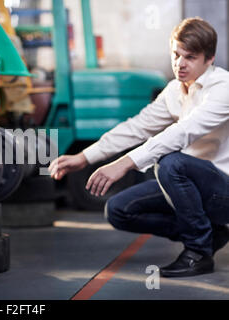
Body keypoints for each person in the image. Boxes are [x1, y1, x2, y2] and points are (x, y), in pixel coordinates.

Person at [49, 17, 229, 278]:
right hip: (190, 187)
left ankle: (198, 252)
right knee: (119, 210)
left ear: (209, 59)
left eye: (190, 57)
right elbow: (137, 127)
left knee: (170, 162)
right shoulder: (174, 91)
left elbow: (183, 131)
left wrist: (124, 163)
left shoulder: (223, 88)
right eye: (176, 55)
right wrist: (84, 157)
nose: (180, 64)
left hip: (223, 189)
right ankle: (210, 233)